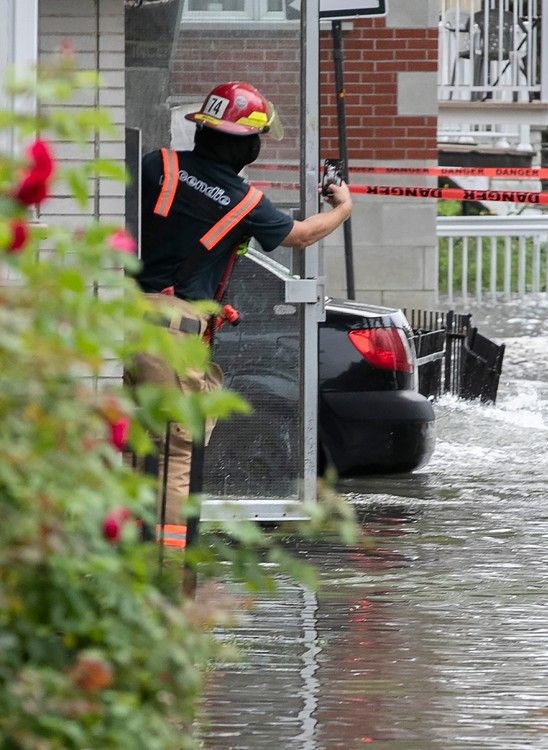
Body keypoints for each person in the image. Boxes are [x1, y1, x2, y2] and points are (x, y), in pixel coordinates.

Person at [129, 81, 352, 563]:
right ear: (246, 144)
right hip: (172, 335)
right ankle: (169, 572)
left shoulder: (156, 165)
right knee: (176, 453)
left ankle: (123, 553)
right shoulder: (245, 201)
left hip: (124, 316)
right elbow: (300, 234)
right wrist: (343, 208)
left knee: (133, 443)